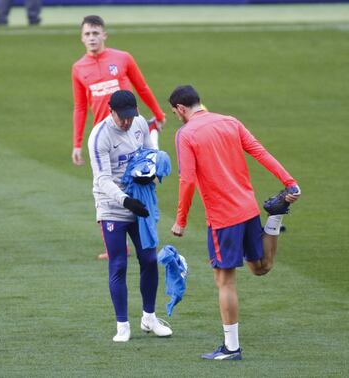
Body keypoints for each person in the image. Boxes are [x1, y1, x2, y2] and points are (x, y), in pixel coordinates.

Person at [169, 85, 300, 360]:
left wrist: (180, 220)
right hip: (248, 209)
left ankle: (231, 348)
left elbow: (188, 180)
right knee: (261, 267)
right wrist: (289, 181)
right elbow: (260, 152)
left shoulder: (186, 134)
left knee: (224, 281)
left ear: (181, 109)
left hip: (223, 218)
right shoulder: (230, 121)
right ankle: (274, 216)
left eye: (175, 113)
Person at [87, 90, 172, 342]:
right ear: (111, 111)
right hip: (112, 205)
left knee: (148, 259)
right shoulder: (99, 137)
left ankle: (149, 318)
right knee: (119, 264)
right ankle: (122, 325)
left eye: (130, 116)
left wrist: (151, 172)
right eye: (122, 117)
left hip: (140, 200)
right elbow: (101, 179)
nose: (126, 122)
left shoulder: (139, 124)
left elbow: (147, 154)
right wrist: (125, 200)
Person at [72, 14, 165, 167]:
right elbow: (80, 108)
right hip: (103, 134)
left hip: (130, 127)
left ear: (104, 35)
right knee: (105, 182)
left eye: (95, 33)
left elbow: (142, 88)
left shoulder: (123, 58)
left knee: (140, 178)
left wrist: (159, 114)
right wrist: (77, 144)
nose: (92, 38)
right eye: (87, 34)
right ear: (82, 38)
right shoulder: (78, 68)